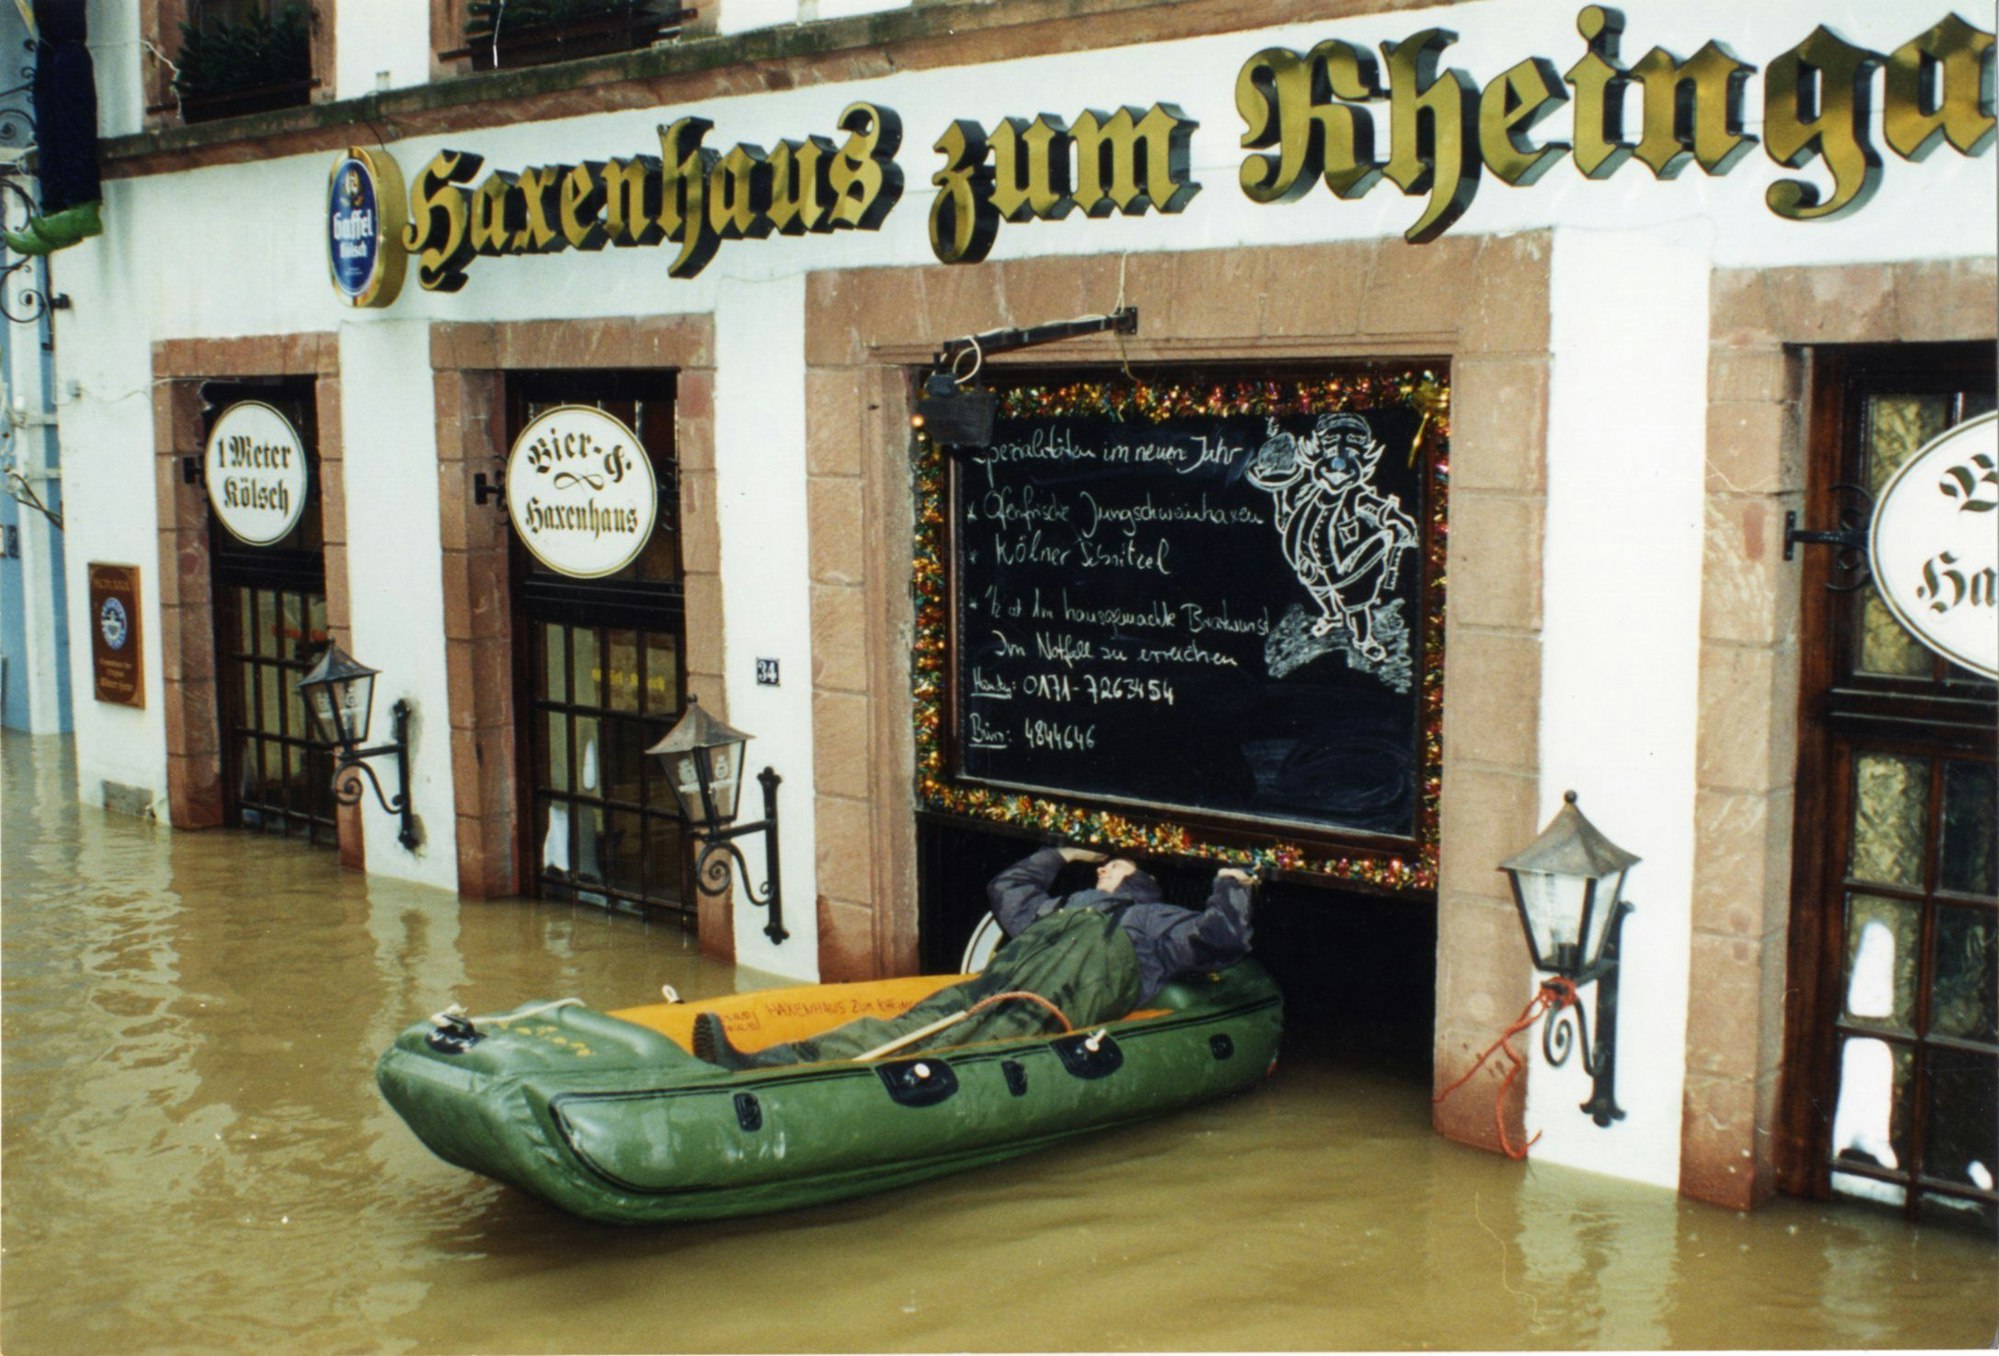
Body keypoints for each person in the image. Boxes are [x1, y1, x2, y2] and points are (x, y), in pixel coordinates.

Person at [692, 845, 1257, 1069]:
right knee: (903, 1025)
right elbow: (1007, 889)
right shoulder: (1059, 908)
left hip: (1040, 1008)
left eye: (1116, 865)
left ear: (1144, 881)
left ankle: (772, 1070)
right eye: (1101, 863)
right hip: (988, 987)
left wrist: (1231, 882)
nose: (1104, 866)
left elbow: (1219, 940)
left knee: (940, 1043)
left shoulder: (1151, 921)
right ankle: (766, 1060)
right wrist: (1058, 853)